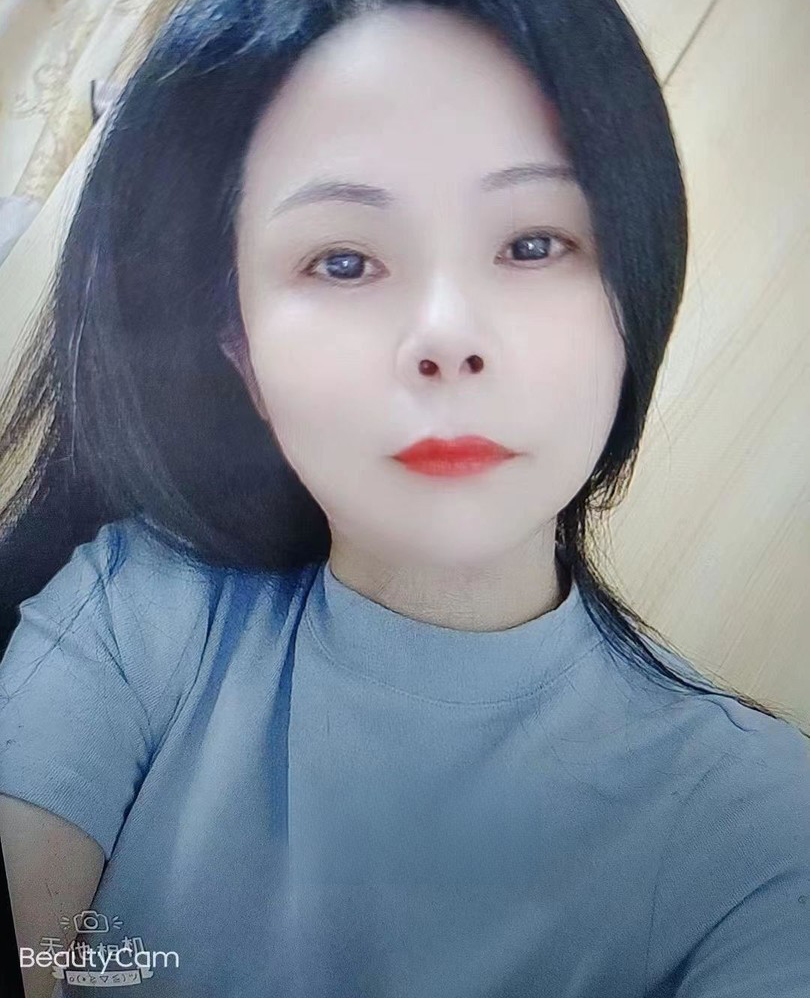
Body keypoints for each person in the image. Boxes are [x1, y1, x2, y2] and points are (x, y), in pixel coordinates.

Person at [0, 1, 808, 996]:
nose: (446, 333)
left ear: (629, 300)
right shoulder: (137, 612)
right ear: (242, 352)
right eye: (342, 261)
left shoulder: (762, 835)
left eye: (532, 244)